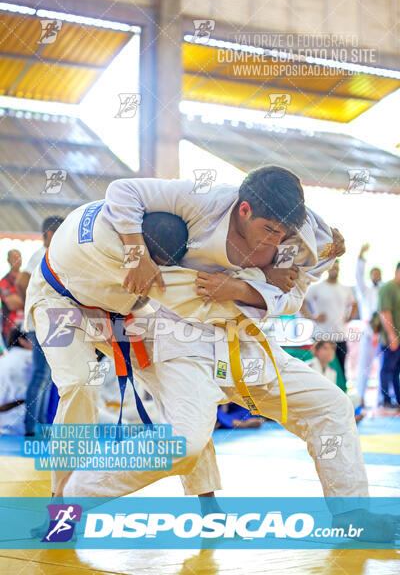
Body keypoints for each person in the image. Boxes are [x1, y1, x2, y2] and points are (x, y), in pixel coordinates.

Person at [39, 168, 371, 518]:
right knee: (180, 437)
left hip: (241, 338)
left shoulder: (300, 236)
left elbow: (292, 295)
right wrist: (138, 254)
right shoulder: (200, 207)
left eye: (284, 232)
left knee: (332, 405)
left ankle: (353, 514)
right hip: (166, 330)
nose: (276, 241)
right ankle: (73, 495)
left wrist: (243, 287)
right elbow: (124, 191)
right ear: (243, 209)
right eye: (269, 230)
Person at [17, 216, 64, 436]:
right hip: (43, 324)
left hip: (51, 323)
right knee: (41, 376)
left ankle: (40, 425)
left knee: (47, 377)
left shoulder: (53, 255)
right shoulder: (43, 254)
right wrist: (34, 305)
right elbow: (21, 282)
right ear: (51, 235)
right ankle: (32, 427)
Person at [300, 260, 358, 385]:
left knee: (340, 371)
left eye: (337, 268)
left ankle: (340, 398)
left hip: (339, 335)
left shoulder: (345, 288)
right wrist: (312, 317)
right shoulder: (317, 287)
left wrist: (349, 317)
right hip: (321, 336)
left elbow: (354, 305)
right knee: (318, 371)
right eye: (333, 268)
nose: (335, 270)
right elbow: (301, 304)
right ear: (328, 269)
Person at [355, 244, 382, 405]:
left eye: (378, 273)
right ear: (370, 275)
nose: (376, 275)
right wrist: (361, 256)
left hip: (385, 331)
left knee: (385, 366)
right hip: (368, 329)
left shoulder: (385, 289)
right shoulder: (365, 290)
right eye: (373, 273)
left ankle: (382, 398)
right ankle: (359, 397)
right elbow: (358, 277)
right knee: (363, 365)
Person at [0, 327, 33, 435]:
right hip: (22, 422)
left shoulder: (3, 360)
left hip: (3, 421)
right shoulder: (31, 358)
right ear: (22, 341)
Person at [378, 262, 400, 409]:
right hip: (391, 338)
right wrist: (392, 335)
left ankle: (397, 399)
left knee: (396, 370)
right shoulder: (388, 288)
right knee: (388, 369)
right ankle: (385, 400)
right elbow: (384, 313)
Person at [0, 249, 24, 346]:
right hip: (10, 330)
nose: (17, 260)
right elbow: (12, 304)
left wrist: (19, 298)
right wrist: (27, 298)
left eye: (19, 257)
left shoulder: (26, 278)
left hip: (26, 328)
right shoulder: (4, 281)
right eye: (14, 257)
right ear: (8, 260)